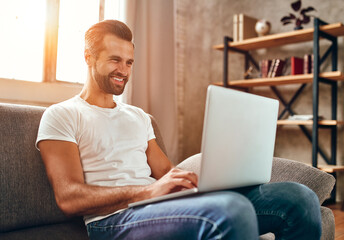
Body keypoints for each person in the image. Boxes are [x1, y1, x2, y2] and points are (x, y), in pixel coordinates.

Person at [36, 20, 321, 240]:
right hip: (111, 221)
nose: (123, 70)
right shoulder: (62, 115)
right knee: (231, 211)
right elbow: (69, 197)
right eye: (114, 60)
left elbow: (166, 173)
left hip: (156, 207)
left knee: (299, 198)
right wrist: (147, 192)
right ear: (88, 57)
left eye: (129, 62)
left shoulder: (138, 116)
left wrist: (204, 181)